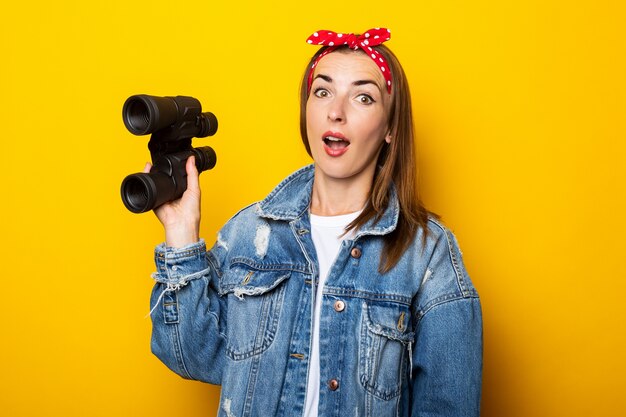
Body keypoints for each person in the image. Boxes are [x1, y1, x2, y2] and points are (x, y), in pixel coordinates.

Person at [146, 28, 483, 417]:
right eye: (322, 91)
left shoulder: (427, 254)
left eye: (363, 97)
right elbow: (191, 357)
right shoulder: (250, 233)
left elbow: (448, 406)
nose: (335, 111)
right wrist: (180, 234)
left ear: (391, 128)